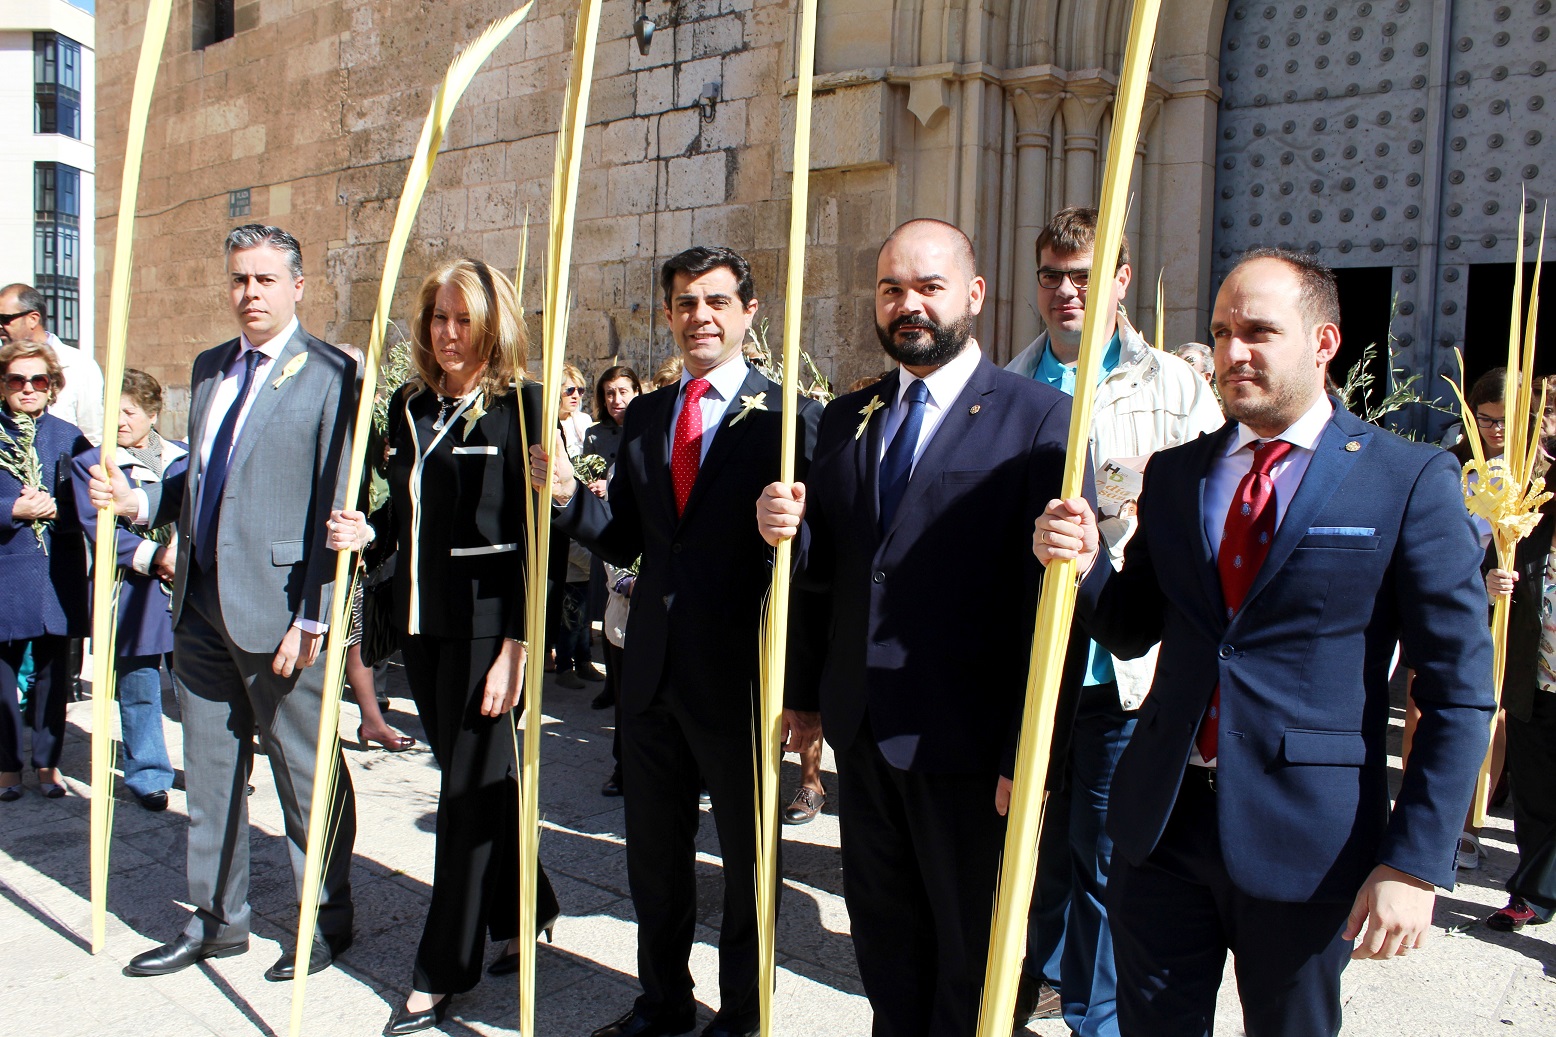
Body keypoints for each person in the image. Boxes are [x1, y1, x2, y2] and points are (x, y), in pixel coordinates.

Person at [1033, 246, 1497, 1036]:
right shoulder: (1178, 475)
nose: (1232, 353)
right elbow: (1133, 622)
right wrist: (1081, 566)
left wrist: (1415, 860)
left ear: (1324, 342)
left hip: (1307, 837)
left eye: (1257, 332)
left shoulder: (1406, 479)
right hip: (1164, 825)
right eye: (1219, 333)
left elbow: (1456, 687)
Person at [756, 218, 1078, 1036]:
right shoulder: (847, 416)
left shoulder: (1039, 418)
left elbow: (1051, 609)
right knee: (886, 946)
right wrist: (804, 695)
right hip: (865, 736)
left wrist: (1029, 752)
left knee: (971, 961)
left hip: (970, 750)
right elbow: (829, 571)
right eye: (892, 287)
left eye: (929, 286)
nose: (909, 305)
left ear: (973, 294)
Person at [532, 245, 822, 1037]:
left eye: (718, 301)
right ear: (669, 314)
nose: (701, 316)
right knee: (653, 856)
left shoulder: (793, 418)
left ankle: (743, 1015)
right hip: (652, 667)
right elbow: (626, 534)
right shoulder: (651, 416)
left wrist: (805, 687)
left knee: (745, 862)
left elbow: (821, 558)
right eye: (687, 302)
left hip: (742, 675)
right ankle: (662, 1002)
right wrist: (566, 502)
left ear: (749, 313)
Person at [91, 224, 358, 983]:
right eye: (240, 279)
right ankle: (217, 919)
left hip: (280, 609)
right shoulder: (211, 367)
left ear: (298, 286)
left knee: (305, 772)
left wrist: (314, 616)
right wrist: (141, 499)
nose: (250, 294)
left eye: (265, 280)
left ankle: (325, 915)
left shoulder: (332, 375)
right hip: (199, 603)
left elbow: (333, 510)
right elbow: (202, 475)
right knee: (209, 772)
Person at [1005, 207, 1223, 1037]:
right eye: (1055, 275)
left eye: (1086, 275)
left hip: (1117, 662)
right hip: (1033, 658)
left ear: (1121, 281)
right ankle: (1039, 973)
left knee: (1102, 853)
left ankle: (1093, 1017)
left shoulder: (1174, 387)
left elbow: (1209, 512)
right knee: (1036, 848)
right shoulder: (1010, 383)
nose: (1068, 291)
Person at [328, 257, 559, 1034]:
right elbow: (407, 513)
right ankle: (533, 904)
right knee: (481, 782)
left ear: (493, 325)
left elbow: (541, 542)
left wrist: (519, 647)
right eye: (438, 317)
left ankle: (441, 970)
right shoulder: (408, 405)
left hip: (492, 628)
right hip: (423, 630)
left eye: (465, 319)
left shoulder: (523, 406)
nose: (450, 333)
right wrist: (371, 529)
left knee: (464, 801)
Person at [69, 369, 185, 811]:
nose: (119, 421)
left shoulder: (183, 457)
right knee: (137, 686)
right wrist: (155, 558)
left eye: (129, 411)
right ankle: (148, 773)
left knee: (196, 685)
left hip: (186, 588)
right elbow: (98, 529)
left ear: (153, 414)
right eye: (111, 412)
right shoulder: (94, 465)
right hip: (130, 591)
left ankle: (209, 770)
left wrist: (180, 554)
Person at [0, 340, 89, 802]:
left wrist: (58, 510)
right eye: (17, 379)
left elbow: (97, 502)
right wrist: (10, 507)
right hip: (5, 573)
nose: (28, 388)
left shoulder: (70, 436)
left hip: (57, 573)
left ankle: (48, 763)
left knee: (54, 675)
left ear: (53, 386)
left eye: (39, 380)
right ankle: (6, 766)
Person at [0, 283, 104, 446]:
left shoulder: (79, 365)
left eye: (5, 319)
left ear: (33, 319)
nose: (0, 326)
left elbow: (93, 434)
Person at [550, 361, 600, 689]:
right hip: (559, 516)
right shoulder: (549, 425)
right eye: (569, 389)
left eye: (581, 389)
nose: (576, 396)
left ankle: (582, 658)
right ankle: (566, 662)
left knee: (582, 591)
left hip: (583, 511)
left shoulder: (584, 424)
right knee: (568, 593)